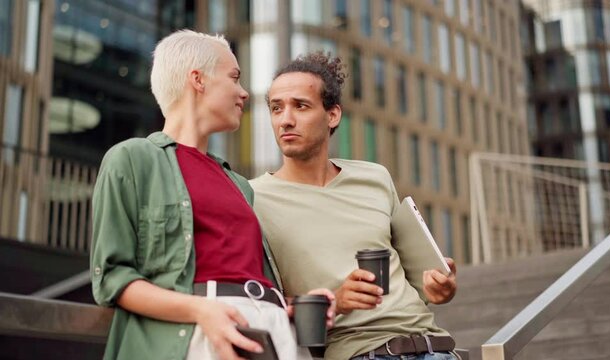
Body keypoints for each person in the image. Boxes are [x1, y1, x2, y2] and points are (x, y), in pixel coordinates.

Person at [90, 30, 333, 360]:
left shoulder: (239, 184)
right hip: (200, 332)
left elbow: (243, 271)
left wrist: (291, 306)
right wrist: (202, 311)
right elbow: (112, 279)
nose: (244, 93)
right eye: (234, 77)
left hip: (274, 335)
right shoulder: (132, 160)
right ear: (198, 79)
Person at [250, 52, 459, 360]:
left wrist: (441, 286)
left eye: (301, 106)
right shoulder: (253, 198)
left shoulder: (374, 177)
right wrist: (336, 300)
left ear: (333, 115)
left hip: (438, 348)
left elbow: (419, 280)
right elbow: (258, 302)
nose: (285, 120)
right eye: (276, 108)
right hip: (359, 353)